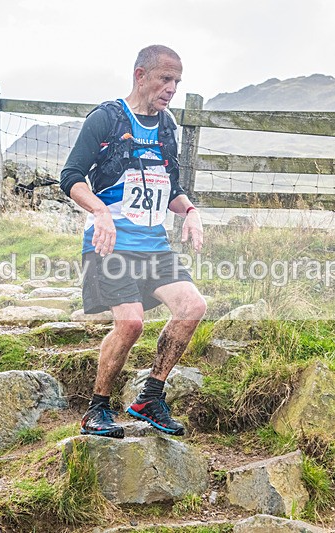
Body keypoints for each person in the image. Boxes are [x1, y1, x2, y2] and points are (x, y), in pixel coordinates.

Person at [59, 44, 206, 439]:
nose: (171, 88)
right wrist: (100, 212)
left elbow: (171, 188)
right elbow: (71, 177)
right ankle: (97, 408)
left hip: (153, 246)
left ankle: (150, 397)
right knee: (131, 323)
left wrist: (189, 211)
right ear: (141, 75)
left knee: (192, 306)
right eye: (165, 79)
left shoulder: (167, 128)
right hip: (110, 246)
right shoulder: (106, 119)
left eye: (177, 81)